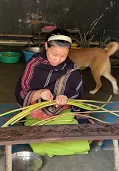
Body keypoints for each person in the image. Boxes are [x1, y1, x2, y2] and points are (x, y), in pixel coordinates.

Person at [15, 29, 90, 157]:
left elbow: (77, 95)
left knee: (82, 143)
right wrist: (40, 92)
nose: (58, 60)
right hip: (36, 114)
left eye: (63, 56)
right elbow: (23, 93)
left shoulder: (71, 69)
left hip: (62, 113)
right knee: (40, 145)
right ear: (46, 46)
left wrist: (65, 97)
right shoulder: (35, 64)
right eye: (54, 54)